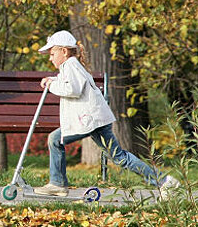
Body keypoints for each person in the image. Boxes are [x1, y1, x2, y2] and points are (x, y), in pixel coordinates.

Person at [34, 30, 180, 199]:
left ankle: (58, 183)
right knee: (119, 157)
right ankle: (164, 181)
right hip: (92, 120)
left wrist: (51, 85)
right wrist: (53, 81)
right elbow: (70, 84)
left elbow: (72, 89)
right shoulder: (71, 66)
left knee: (56, 140)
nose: (50, 58)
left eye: (52, 54)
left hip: (89, 120)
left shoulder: (71, 65)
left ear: (64, 52)